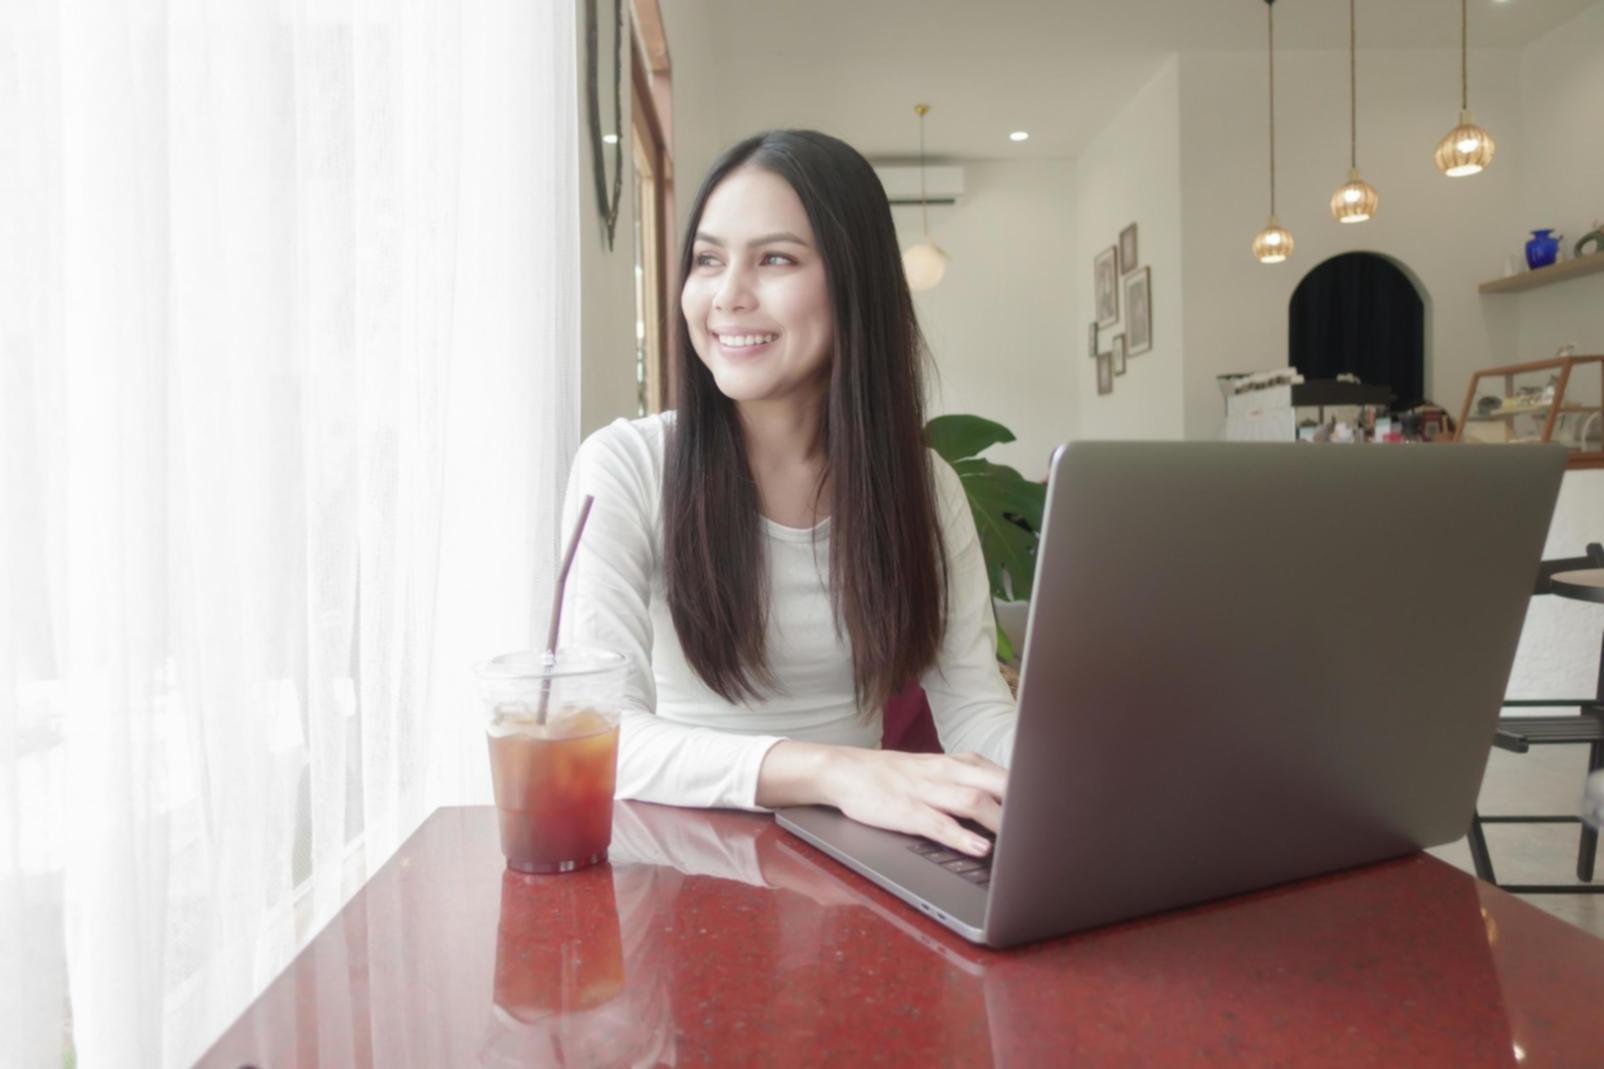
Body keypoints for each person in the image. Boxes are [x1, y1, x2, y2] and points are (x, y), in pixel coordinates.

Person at [561, 130, 1016, 859]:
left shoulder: (926, 488)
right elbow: (598, 733)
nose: (728, 295)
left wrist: (1070, 780)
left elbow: (972, 705)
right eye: (708, 260)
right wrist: (835, 770)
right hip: (677, 865)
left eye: (774, 258)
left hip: (866, 868)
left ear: (855, 283)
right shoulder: (627, 466)